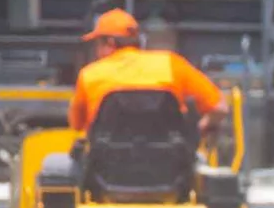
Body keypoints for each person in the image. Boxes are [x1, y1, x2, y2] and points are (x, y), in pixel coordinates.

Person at [67, 9, 230, 142]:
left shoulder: (89, 75)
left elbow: (77, 125)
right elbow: (220, 108)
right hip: (169, 173)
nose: (96, 52)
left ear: (110, 42)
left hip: (106, 175)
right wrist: (194, 134)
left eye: (97, 45)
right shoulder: (171, 64)